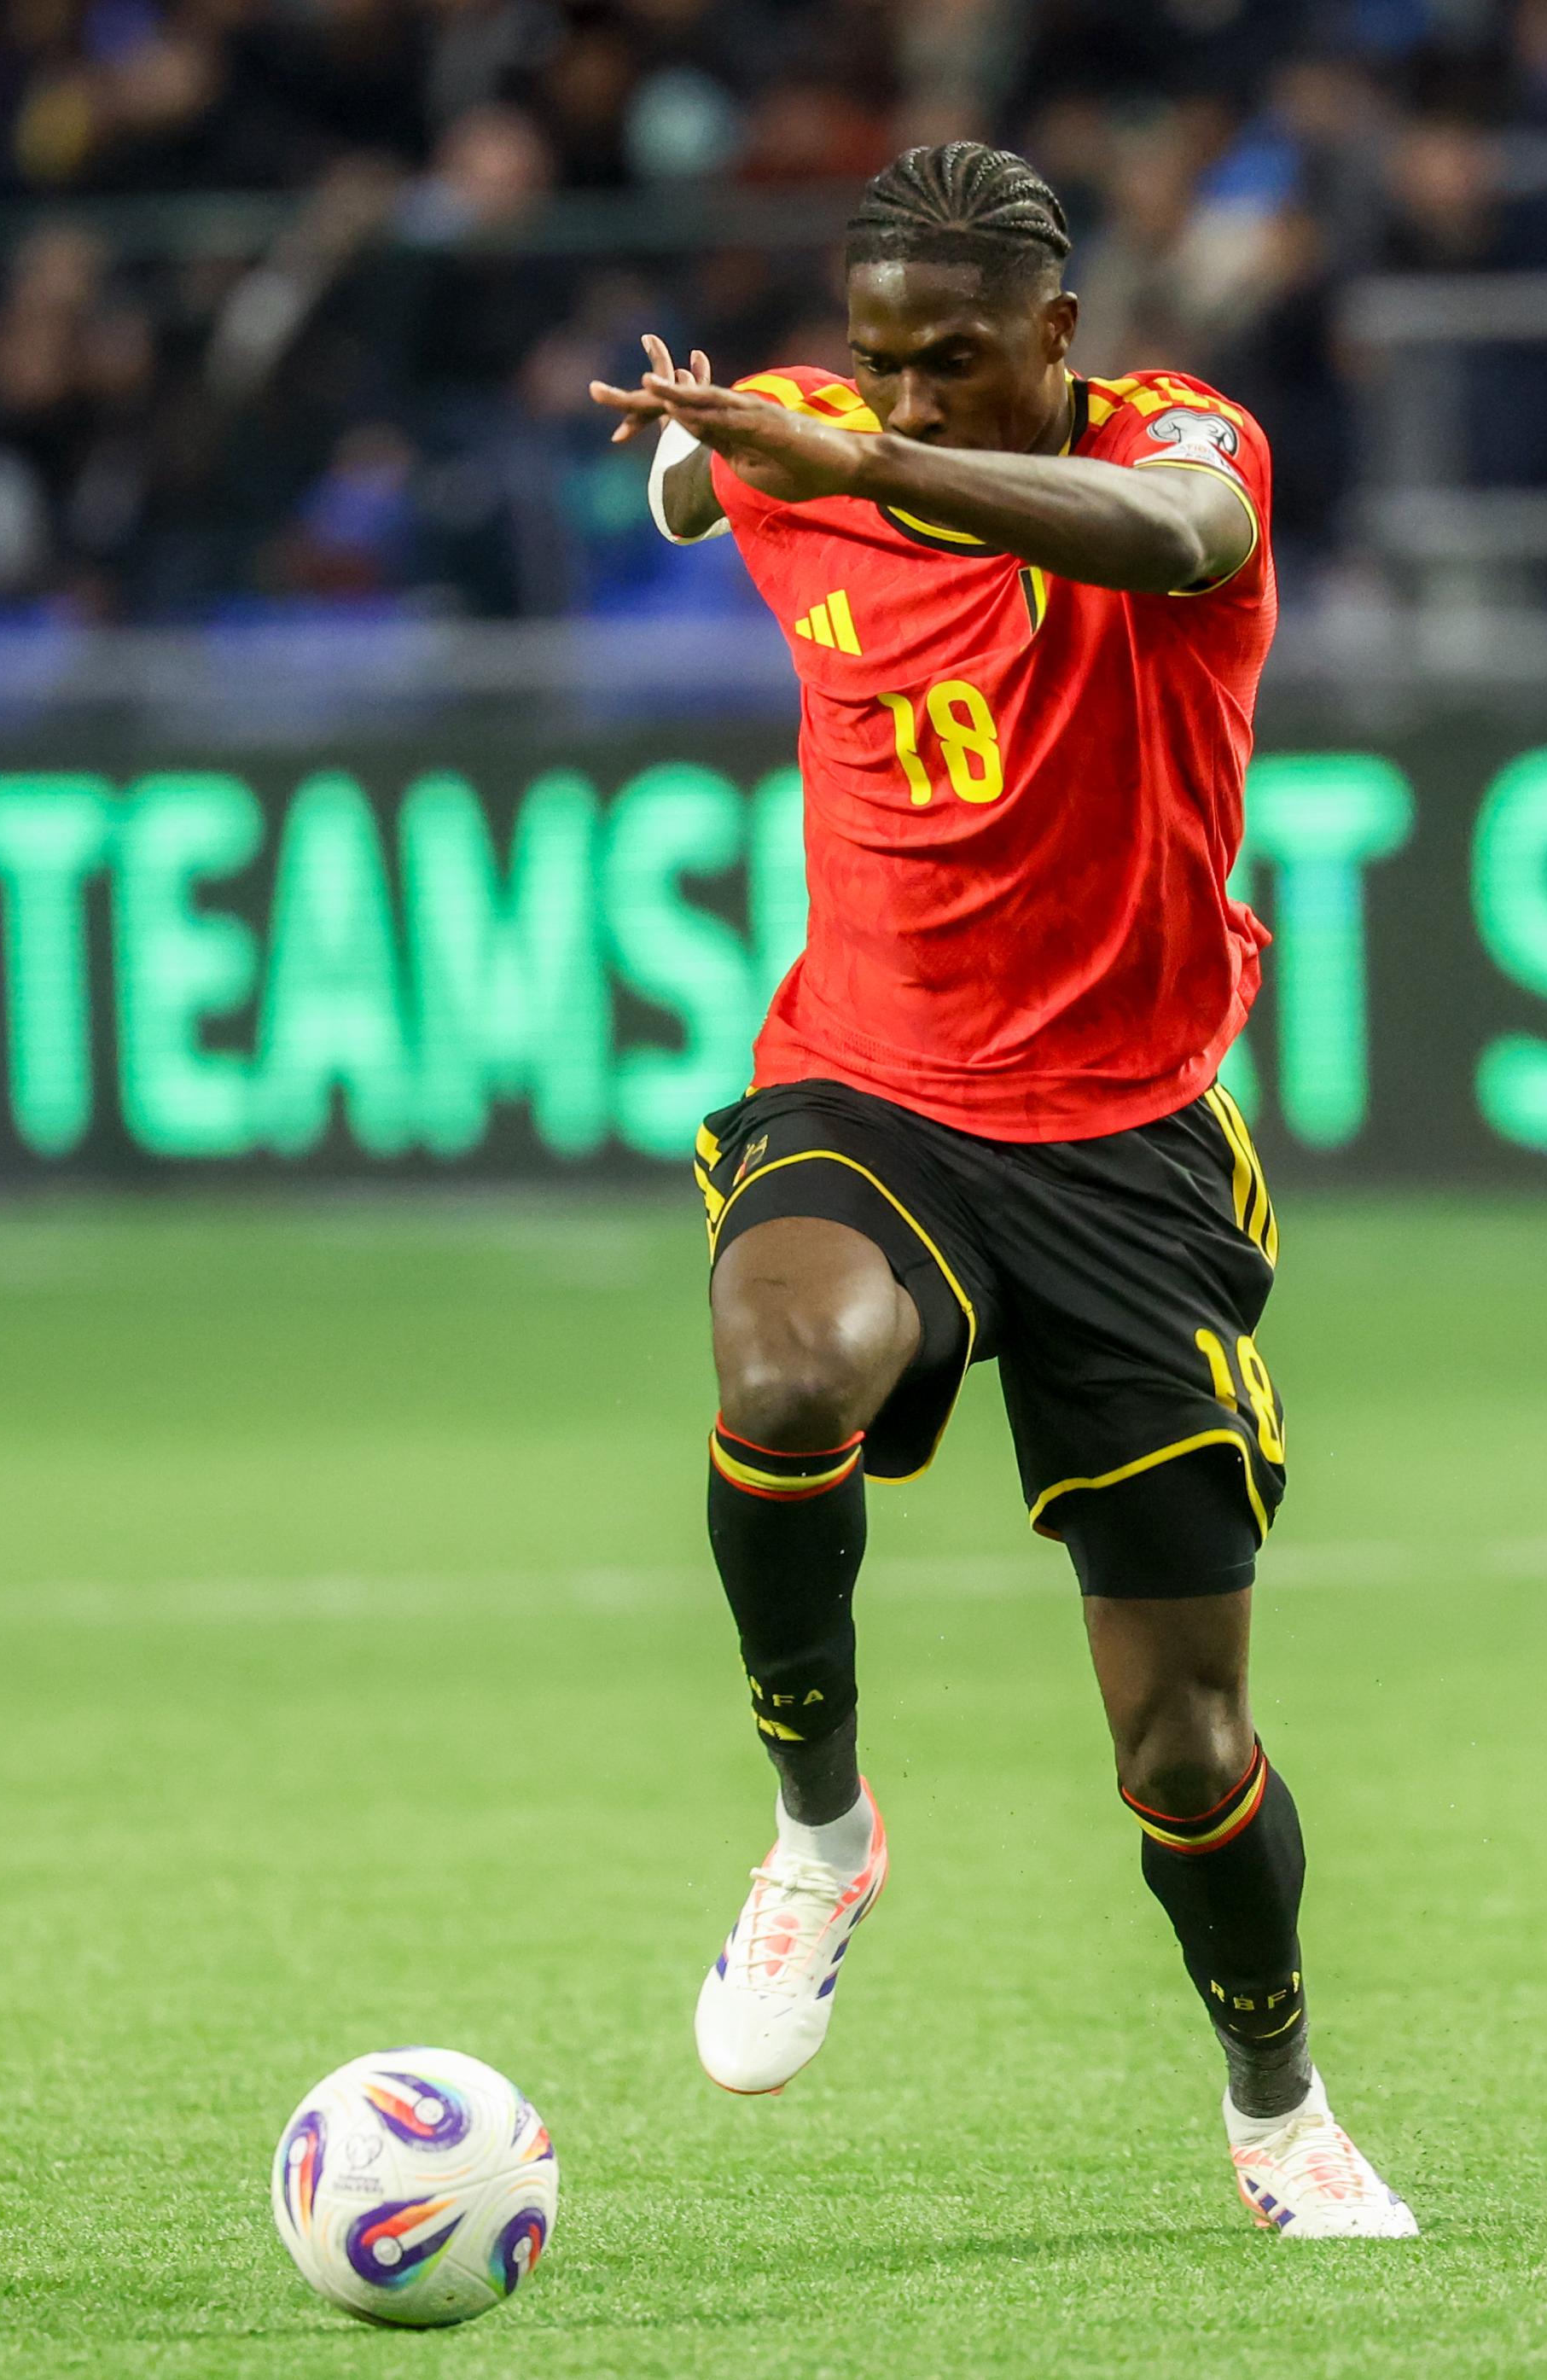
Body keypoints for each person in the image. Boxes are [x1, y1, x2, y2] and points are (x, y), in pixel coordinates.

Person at [590, 140, 1415, 2240]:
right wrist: (696, 451)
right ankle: (819, 1832)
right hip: (872, 1089)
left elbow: (1183, 535)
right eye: (881, 361)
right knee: (790, 1371)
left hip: (1126, 1145)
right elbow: (698, 481)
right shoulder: (813, 439)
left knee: (1184, 1749)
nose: (910, 393)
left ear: (1056, 331)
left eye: (954, 358)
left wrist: (851, 461)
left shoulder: (1173, 447)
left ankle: (1277, 2106)